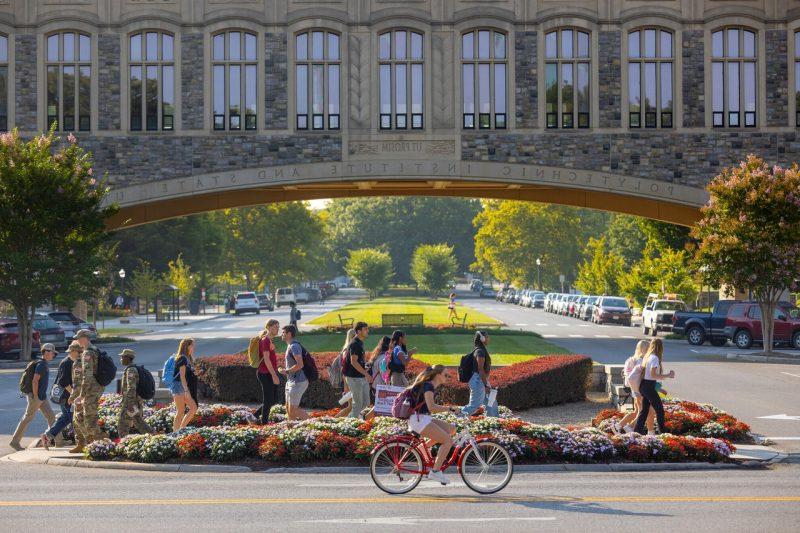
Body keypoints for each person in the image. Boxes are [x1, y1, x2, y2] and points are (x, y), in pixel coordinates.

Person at [406, 365, 460, 485]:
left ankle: (423, 448)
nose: (447, 377)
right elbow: (432, 407)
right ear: (438, 375)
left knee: (451, 429)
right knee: (448, 441)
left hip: (422, 418)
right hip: (419, 420)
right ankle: (435, 471)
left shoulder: (430, 385)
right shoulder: (428, 386)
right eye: (446, 375)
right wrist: (449, 409)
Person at [10, 344, 57, 451]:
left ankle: (57, 441)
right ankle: (15, 442)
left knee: (51, 417)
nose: (53, 355)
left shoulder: (44, 363)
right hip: (36, 397)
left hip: (42, 396)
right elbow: (35, 381)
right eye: (52, 352)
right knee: (27, 418)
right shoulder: (41, 364)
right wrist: (35, 396)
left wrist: (40, 396)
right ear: (45, 352)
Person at [40, 341, 82, 449]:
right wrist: (73, 395)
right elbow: (63, 382)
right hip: (66, 397)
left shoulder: (76, 362)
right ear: (72, 351)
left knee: (66, 418)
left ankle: (47, 436)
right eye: (78, 352)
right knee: (72, 418)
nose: (80, 353)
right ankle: (80, 442)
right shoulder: (66, 363)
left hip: (70, 396)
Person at [69, 330, 106, 453]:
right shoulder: (94, 350)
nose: (78, 341)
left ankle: (99, 447)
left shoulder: (87, 353)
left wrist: (81, 395)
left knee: (89, 420)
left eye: (79, 338)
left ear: (85, 338)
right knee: (88, 418)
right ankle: (95, 445)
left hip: (91, 390)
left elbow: (87, 376)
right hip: (96, 388)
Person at [634, 338, 675, 435]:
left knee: (644, 411)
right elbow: (653, 375)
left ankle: (637, 431)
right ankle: (663, 431)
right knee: (660, 410)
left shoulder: (648, 356)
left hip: (644, 386)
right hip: (648, 386)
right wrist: (668, 375)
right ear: (660, 347)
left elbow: (649, 375)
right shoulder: (655, 358)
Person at [613, 340, 654, 434]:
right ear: (646, 349)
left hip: (634, 389)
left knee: (638, 411)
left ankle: (619, 426)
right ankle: (633, 428)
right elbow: (645, 377)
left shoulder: (632, 359)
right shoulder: (641, 361)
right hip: (640, 389)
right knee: (646, 411)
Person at [461, 331, 499, 417]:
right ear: (482, 339)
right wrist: (486, 385)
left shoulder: (481, 350)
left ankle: (493, 421)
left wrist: (486, 383)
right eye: (487, 337)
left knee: (491, 401)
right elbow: (480, 369)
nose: (488, 338)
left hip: (481, 379)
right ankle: (455, 417)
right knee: (474, 406)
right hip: (479, 380)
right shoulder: (480, 351)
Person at [117, 349, 151, 438]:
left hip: (131, 402)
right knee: (138, 421)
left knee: (122, 424)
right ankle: (153, 435)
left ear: (128, 358)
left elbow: (131, 388)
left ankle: (123, 443)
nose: (121, 359)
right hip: (133, 402)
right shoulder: (131, 369)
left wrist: (130, 404)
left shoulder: (131, 370)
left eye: (122, 357)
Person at [278, 324, 309, 420]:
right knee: (288, 409)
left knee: (293, 410)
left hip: (298, 382)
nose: (281, 334)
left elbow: (300, 364)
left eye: (283, 332)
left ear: (289, 334)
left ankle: (314, 424)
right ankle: (290, 429)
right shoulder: (290, 346)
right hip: (291, 381)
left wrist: (286, 371)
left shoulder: (294, 346)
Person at [255, 319, 281, 424]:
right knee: (268, 400)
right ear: (269, 328)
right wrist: (274, 375)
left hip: (269, 373)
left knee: (273, 399)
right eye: (275, 327)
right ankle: (264, 424)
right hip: (265, 373)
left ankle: (253, 416)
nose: (277, 328)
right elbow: (266, 359)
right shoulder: (265, 340)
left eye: (278, 326)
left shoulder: (269, 340)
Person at [343, 321, 371, 419]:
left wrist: (364, 367)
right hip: (354, 378)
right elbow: (353, 362)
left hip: (360, 377)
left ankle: (350, 419)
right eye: (365, 329)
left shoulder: (360, 343)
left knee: (366, 402)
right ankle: (350, 423)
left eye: (367, 328)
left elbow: (357, 361)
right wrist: (366, 374)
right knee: (358, 403)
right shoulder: (355, 343)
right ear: (358, 331)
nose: (368, 331)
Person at [171, 338, 198, 431]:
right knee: (180, 411)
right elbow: (182, 376)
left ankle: (181, 429)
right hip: (179, 386)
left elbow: (187, 375)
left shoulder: (188, 358)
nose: (194, 347)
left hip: (182, 385)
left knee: (193, 407)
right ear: (187, 346)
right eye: (192, 345)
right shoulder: (182, 358)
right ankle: (175, 433)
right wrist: (186, 391)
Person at [334, 328, 356, 418]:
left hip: (349, 379)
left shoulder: (346, 349)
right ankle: (334, 420)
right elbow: (346, 368)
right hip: (351, 379)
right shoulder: (349, 349)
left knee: (353, 405)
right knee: (351, 406)